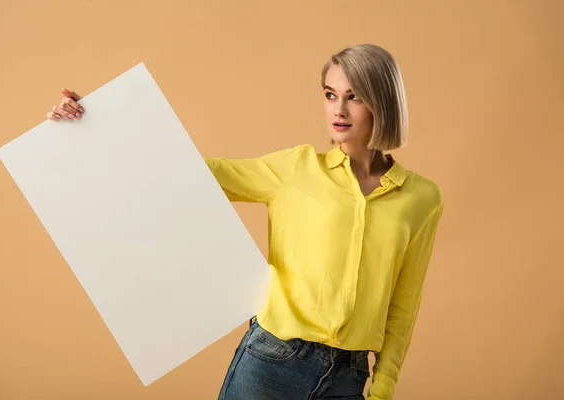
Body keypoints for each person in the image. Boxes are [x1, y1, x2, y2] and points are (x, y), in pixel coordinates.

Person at [47, 43, 444, 400]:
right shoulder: (296, 169)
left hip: (349, 377)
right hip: (273, 362)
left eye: (354, 96)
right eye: (329, 94)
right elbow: (189, 173)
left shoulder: (421, 199)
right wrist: (98, 126)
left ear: (383, 101)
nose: (338, 109)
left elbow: (404, 303)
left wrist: (384, 383)